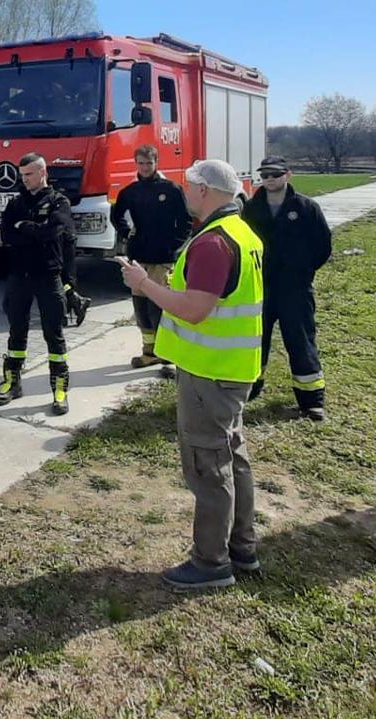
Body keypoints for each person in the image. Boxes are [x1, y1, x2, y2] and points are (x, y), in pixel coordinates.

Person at [121, 159, 266, 590]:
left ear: (204, 190)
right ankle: (242, 547)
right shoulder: (243, 231)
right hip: (232, 369)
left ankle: (210, 563)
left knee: (207, 466)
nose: (185, 193)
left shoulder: (213, 242)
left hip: (210, 373)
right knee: (232, 456)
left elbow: (194, 309)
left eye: (189, 186)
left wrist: (143, 283)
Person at [241, 156, 334, 420]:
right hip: (262, 286)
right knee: (255, 340)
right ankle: (250, 388)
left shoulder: (306, 207)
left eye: (275, 174)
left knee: (301, 341)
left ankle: (311, 400)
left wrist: (304, 270)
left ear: (287, 175)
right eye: (265, 174)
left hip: (296, 288)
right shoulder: (251, 208)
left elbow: (323, 245)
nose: (269, 179)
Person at [0, 152, 74, 415]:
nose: (24, 180)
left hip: (48, 276)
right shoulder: (15, 203)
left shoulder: (58, 201)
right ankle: (12, 382)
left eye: (29, 174)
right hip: (19, 276)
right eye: (22, 175)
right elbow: (6, 235)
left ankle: (59, 389)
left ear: (42, 172)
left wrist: (24, 228)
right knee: (17, 330)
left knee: (54, 334)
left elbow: (54, 232)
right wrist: (33, 230)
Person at [109, 144, 193, 372]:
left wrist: (175, 247)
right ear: (135, 164)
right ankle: (149, 352)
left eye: (149, 163)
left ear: (157, 163)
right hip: (138, 257)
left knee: (160, 306)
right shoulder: (130, 192)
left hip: (163, 258)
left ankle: (167, 355)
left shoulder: (172, 189)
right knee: (141, 307)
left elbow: (186, 222)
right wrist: (127, 234)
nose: (145, 168)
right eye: (141, 163)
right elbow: (116, 216)